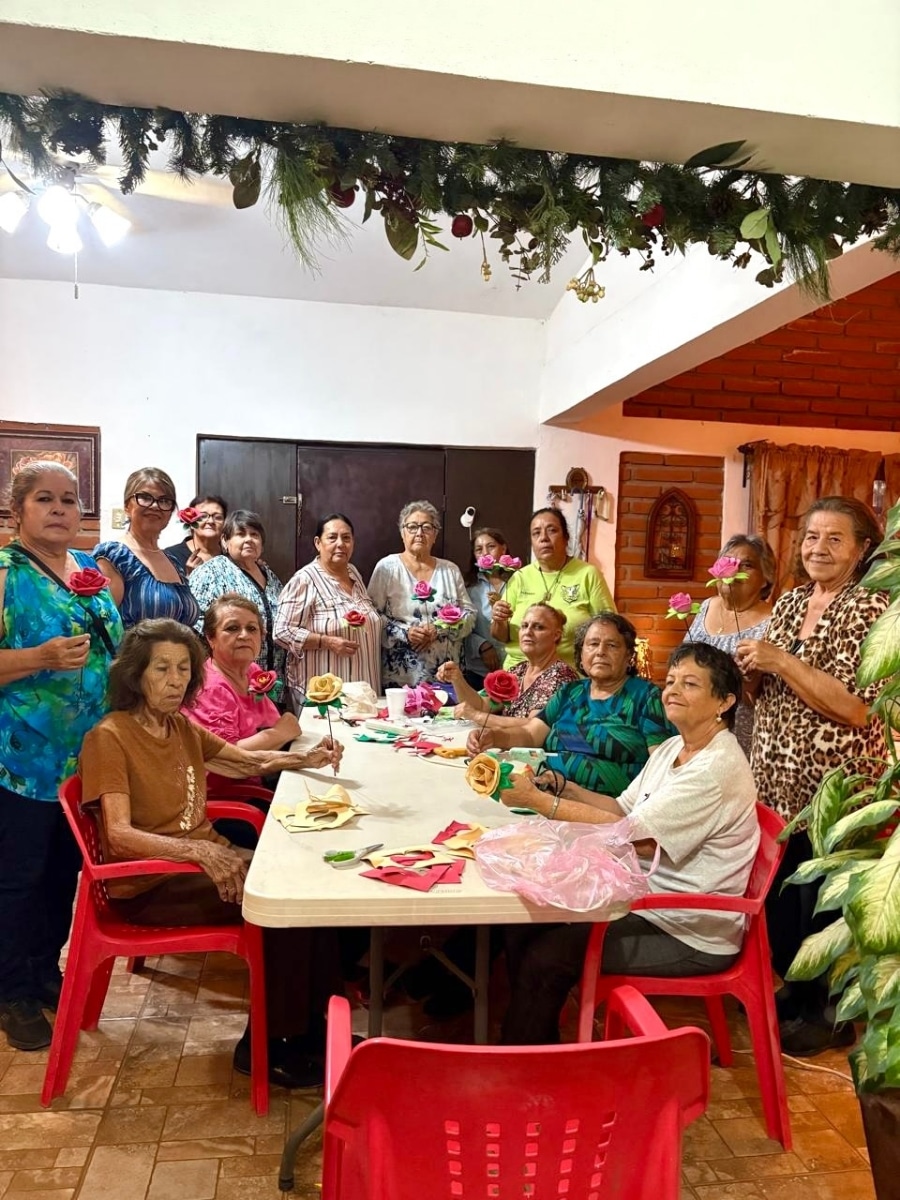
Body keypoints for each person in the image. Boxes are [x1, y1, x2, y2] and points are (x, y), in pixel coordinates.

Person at [79, 618, 343, 1089]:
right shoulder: (110, 738)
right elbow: (118, 836)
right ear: (134, 674)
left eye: (183, 668)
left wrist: (304, 759)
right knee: (283, 911)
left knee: (313, 898)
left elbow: (244, 760)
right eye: (162, 669)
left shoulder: (178, 726)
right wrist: (199, 852)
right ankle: (269, 1046)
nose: (176, 679)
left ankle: (317, 1031)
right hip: (150, 884)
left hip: (195, 862)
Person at [498, 643, 760, 1045]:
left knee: (547, 957)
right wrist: (563, 788)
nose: (672, 690)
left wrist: (541, 804)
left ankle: (526, 1072)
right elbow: (622, 808)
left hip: (686, 927)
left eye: (690, 684)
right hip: (644, 897)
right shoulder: (676, 746)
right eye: (670, 681)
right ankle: (538, 1042)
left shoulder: (715, 768)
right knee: (521, 927)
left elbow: (633, 837)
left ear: (724, 701)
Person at [736, 496, 889, 1056]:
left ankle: (826, 1015)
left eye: (834, 538)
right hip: (777, 782)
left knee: (824, 905)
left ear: (862, 548)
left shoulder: (871, 608)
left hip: (836, 788)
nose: (818, 548)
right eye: (810, 537)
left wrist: (780, 661)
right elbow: (770, 687)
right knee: (784, 901)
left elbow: (856, 708)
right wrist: (753, 673)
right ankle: (797, 992)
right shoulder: (794, 599)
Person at [0, 461, 123, 1052]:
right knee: (16, 879)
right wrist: (38, 657)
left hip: (83, 759)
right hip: (20, 758)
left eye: (69, 500)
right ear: (17, 510)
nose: (58, 509)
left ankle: (45, 969)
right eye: (44, 498)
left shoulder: (85, 572)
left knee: (62, 873)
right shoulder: (4, 573)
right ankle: (11, 992)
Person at [468, 613, 673, 795]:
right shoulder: (570, 692)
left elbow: (661, 763)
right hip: (548, 796)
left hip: (610, 811)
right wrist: (494, 737)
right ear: (581, 655)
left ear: (628, 656)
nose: (600, 652)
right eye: (592, 644)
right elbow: (532, 734)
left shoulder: (647, 697)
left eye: (612, 645)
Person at [182, 595, 302, 843]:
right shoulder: (211, 687)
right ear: (210, 638)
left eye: (252, 628)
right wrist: (279, 734)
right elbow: (226, 757)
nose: (245, 635)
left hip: (250, 786)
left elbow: (273, 724)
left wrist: (280, 733)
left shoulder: (251, 673)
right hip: (215, 807)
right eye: (232, 628)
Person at [274, 513, 383, 707]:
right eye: (332, 537)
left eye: (346, 538)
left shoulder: (353, 573)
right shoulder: (304, 580)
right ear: (318, 543)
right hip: (324, 697)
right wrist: (326, 641)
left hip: (362, 692)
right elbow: (281, 631)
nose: (340, 543)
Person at [490, 508, 615, 670]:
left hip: (568, 675)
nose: (544, 538)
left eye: (552, 531)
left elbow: (610, 628)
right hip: (517, 672)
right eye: (536, 533)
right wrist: (499, 620)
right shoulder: (520, 577)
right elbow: (501, 636)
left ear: (566, 538)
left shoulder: (587, 574)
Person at [684, 534, 775, 755]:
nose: (734, 571)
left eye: (747, 565)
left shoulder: (774, 620)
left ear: (765, 579)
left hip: (739, 736)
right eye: (728, 562)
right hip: (692, 729)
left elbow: (769, 693)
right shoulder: (706, 606)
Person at [368, 500, 475, 687]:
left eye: (427, 527)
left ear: (435, 534)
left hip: (446, 675)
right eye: (412, 527)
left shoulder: (450, 570)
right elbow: (371, 616)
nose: (419, 533)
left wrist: (439, 629)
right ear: (402, 533)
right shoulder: (387, 568)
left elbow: (470, 614)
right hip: (401, 678)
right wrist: (404, 632)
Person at [94, 468, 200, 629]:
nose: (155, 506)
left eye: (164, 500)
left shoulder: (173, 562)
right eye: (145, 498)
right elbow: (103, 629)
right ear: (126, 506)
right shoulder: (114, 556)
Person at [189, 510, 285, 682]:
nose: (249, 539)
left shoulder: (270, 576)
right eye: (240, 534)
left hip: (270, 680)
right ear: (225, 541)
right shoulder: (211, 571)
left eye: (254, 535)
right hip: (227, 676)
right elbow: (195, 622)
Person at [438, 604, 578, 722]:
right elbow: (481, 705)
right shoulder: (518, 671)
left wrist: (478, 716)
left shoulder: (562, 675)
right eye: (524, 626)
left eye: (538, 627)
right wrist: (457, 678)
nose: (528, 632)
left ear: (556, 635)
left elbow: (533, 726)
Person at [462, 527, 513, 687]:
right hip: (478, 671)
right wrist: (482, 645)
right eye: (479, 549)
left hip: (513, 668)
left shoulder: (519, 581)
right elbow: (460, 626)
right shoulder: (468, 587)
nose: (485, 553)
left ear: (503, 548)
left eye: (491, 547)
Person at [165, 493, 228, 576]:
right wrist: (189, 577)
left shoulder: (230, 557)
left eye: (218, 517)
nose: (210, 521)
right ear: (190, 521)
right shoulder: (171, 556)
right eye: (203, 516)